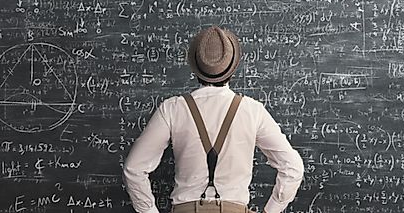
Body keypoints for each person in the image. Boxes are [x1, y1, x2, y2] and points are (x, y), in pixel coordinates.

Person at [122, 25, 304, 213]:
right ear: (232, 69)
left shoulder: (173, 109)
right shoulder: (252, 110)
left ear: (195, 68)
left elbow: (133, 169)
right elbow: (293, 168)